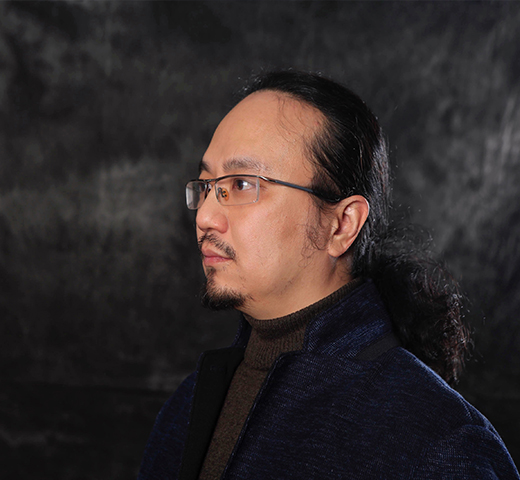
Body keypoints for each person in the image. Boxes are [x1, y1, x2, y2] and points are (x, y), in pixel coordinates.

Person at [138, 70, 519, 479]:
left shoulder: (438, 443)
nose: (205, 217)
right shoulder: (189, 405)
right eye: (206, 186)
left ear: (341, 224)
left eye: (243, 184)